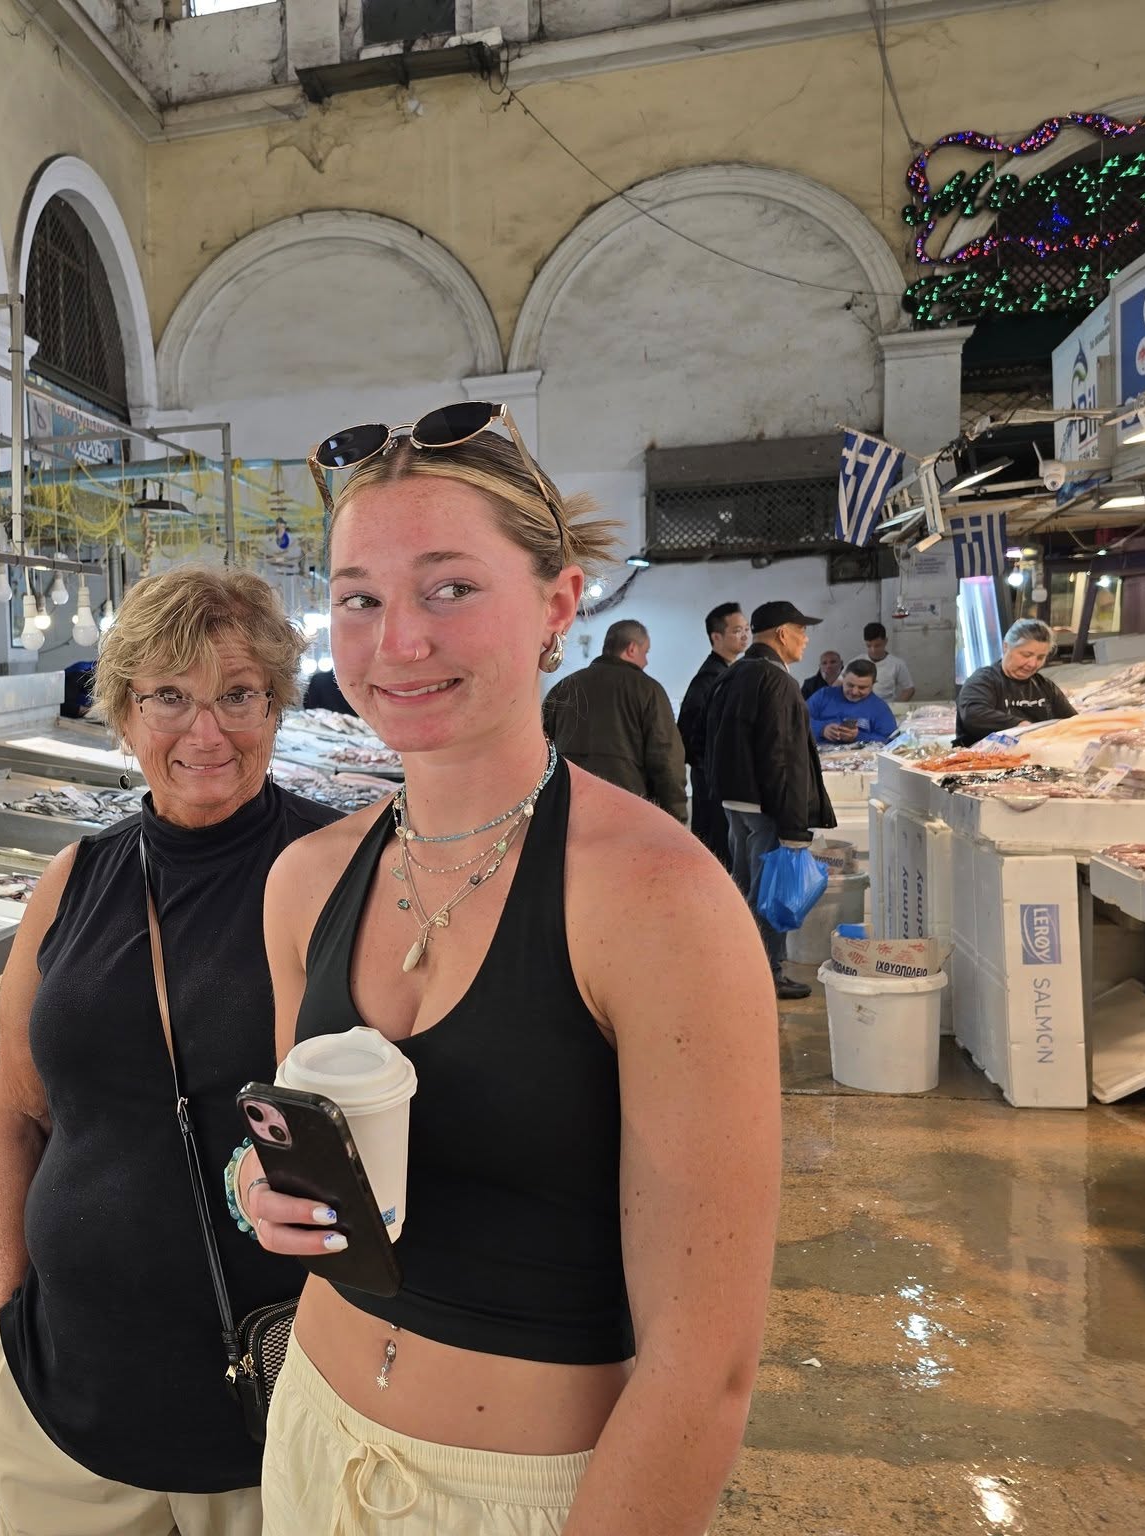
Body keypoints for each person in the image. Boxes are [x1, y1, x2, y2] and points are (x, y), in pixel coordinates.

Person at [241, 412, 778, 1535]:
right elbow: (307, 1148)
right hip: (306, 1438)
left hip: (523, 1495)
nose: (395, 644)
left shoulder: (655, 901)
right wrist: (266, 1194)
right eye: (357, 597)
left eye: (447, 590)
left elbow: (703, 1372)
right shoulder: (304, 879)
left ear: (555, 603)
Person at [0, 565, 336, 1536]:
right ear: (124, 712)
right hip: (59, 1405)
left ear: (276, 704)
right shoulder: (75, 877)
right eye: (169, 696)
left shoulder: (338, 871)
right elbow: (17, 1108)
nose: (204, 732)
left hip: (267, 1413)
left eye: (237, 695)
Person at [706, 600, 836, 1002]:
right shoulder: (777, 681)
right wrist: (794, 826)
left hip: (736, 803)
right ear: (782, 634)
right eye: (801, 630)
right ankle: (767, 972)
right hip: (765, 808)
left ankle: (743, 967)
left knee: (746, 890)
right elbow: (784, 756)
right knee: (771, 896)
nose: (806, 638)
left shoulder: (735, 673)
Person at [542, 618, 687, 819]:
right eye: (646, 653)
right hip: (627, 811)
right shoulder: (648, 691)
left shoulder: (564, 688)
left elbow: (541, 752)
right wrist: (675, 817)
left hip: (567, 809)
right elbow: (667, 760)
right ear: (632, 649)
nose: (646, 661)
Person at [678, 601, 747, 868]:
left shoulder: (726, 673)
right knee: (716, 852)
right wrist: (714, 769)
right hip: (711, 782)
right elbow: (687, 734)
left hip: (717, 779)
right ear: (716, 637)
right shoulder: (709, 679)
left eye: (746, 629)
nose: (744, 636)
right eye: (737, 630)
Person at [955, 618, 1076, 746]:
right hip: (985, 760)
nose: (1032, 664)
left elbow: (1072, 721)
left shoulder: (1045, 686)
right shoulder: (983, 680)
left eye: (1040, 657)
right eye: (1026, 655)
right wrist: (1020, 726)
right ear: (1006, 647)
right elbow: (973, 714)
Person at [808, 660, 899, 746]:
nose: (854, 692)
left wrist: (858, 736)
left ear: (873, 684)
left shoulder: (880, 708)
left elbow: (892, 740)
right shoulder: (823, 696)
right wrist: (821, 729)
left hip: (861, 759)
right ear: (843, 678)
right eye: (850, 685)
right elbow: (797, 720)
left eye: (862, 688)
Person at [857, 622, 916, 703]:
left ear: (885, 641)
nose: (873, 650)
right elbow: (839, 683)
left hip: (886, 706)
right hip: (861, 708)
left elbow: (909, 689)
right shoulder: (857, 662)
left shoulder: (897, 664)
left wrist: (895, 707)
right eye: (869, 646)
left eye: (877, 645)